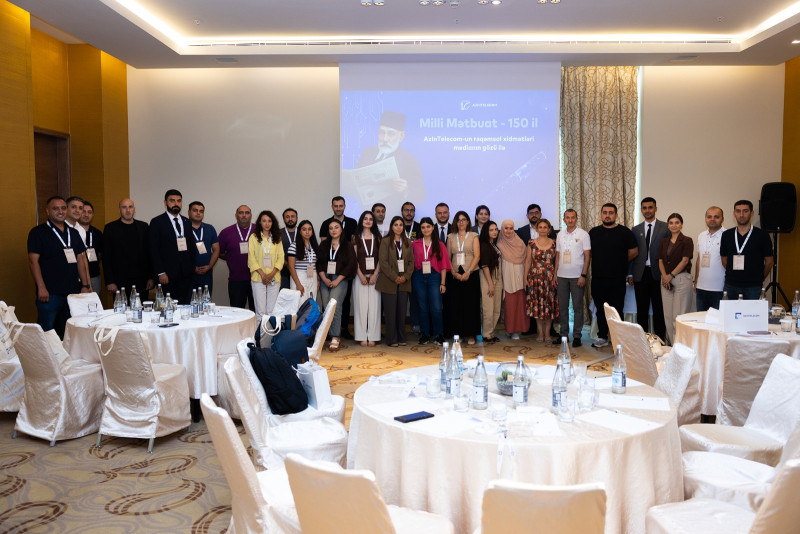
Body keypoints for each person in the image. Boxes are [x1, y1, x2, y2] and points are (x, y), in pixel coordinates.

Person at [27, 196, 91, 338]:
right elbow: (33, 262)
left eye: (63, 208)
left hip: (72, 293)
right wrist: (41, 287)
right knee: (47, 332)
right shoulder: (38, 232)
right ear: (47, 211)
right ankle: (45, 354)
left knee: (69, 331)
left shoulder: (73, 233)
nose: (60, 211)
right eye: (55, 208)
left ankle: (65, 353)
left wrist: (85, 285)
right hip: (50, 293)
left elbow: (80, 259)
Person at [352, 110, 425, 216]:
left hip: (393, 219)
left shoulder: (409, 160)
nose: (385, 139)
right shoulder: (368, 152)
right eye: (382, 133)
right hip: (367, 217)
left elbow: (420, 195)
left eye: (391, 133)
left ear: (401, 136)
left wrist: (405, 191)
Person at [589, 203, 638, 348]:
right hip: (598, 278)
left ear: (616, 215)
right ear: (601, 214)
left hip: (617, 278)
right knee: (600, 309)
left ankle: (618, 338)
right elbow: (588, 253)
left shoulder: (625, 232)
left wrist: (619, 261)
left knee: (617, 309)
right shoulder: (593, 232)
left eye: (611, 213)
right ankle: (602, 337)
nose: (607, 215)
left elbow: (634, 251)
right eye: (605, 212)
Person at [630, 197, 669, 340]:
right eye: (644, 208)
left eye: (650, 207)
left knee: (659, 309)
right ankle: (643, 340)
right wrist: (630, 274)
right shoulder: (635, 229)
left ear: (655, 209)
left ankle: (660, 340)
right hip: (640, 274)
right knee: (642, 310)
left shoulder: (665, 227)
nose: (647, 210)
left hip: (658, 273)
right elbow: (632, 253)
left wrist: (668, 274)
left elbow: (668, 252)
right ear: (641, 210)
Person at [149, 189, 196, 305]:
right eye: (172, 200)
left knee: (183, 306)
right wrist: (160, 272)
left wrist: (191, 267)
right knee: (167, 307)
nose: (176, 204)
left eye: (179, 201)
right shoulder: (157, 222)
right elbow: (153, 249)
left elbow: (191, 247)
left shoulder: (187, 222)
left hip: (185, 274)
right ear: (165, 202)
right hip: (166, 275)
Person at [719, 200, 774, 300]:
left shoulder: (763, 235)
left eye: (745, 211)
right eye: (738, 211)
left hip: (753, 286)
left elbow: (769, 262)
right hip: (731, 285)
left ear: (752, 213)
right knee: (730, 310)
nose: (741, 215)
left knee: (752, 311)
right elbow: (724, 260)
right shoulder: (726, 235)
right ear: (734, 214)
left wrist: (759, 278)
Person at [319, 196, 357, 339]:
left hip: (340, 277)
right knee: (326, 306)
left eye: (336, 228)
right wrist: (324, 278)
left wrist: (337, 280)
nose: (333, 230)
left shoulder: (348, 243)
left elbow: (350, 263)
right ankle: (327, 334)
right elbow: (319, 262)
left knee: (336, 305)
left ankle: (337, 334)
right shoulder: (324, 244)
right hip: (325, 278)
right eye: (331, 228)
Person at [103, 198, 154, 301]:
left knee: (141, 309)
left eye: (130, 207)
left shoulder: (144, 227)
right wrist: (110, 281)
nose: (128, 210)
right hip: (119, 281)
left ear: (134, 209)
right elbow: (106, 257)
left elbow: (150, 254)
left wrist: (151, 277)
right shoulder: (110, 228)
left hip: (142, 280)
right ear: (119, 210)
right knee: (121, 309)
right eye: (124, 207)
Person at [555, 209, 591, 347]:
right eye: (567, 217)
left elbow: (587, 256)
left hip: (577, 277)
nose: (570, 220)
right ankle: (563, 335)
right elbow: (558, 255)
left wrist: (583, 275)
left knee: (577, 308)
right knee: (562, 307)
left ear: (576, 218)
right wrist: (555, 274)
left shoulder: (583, 234)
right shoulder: (560, 234)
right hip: (561, 276)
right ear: (564, 219)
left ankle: (577, 336)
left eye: (572, 217)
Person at [444, 210, 481, 344]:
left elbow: (477, 256)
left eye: (463, 220)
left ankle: (470, 334)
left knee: (471, 305)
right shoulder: (450, 237)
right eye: (458, 220)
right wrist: (454, 273)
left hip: (471, 274)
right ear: (455, 222)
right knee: (456, 305)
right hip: (455, 275)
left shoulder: (474, 236)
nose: (461, 222)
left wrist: (468, 272)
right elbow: (448, 257)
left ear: (468, 221)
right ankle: (458, 334)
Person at [412, 217, 450, 345]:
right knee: (422, 307)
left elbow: (444, 265)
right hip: (419, 276)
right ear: (420, 229)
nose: (426, 229)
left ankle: (438, 334)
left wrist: (443, 283)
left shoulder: (440, 244)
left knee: (437, 307)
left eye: (428, 226)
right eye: (423, 227)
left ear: (433, 228)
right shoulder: (415, 244)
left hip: (435, 277)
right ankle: (425, 334)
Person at [376, 216, 414, 347]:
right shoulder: (385, 241)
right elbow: (383, 262)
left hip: (404, 281)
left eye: (401, 225)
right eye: (396, 225)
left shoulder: (407, 242)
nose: (398, 227)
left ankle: (402, 338)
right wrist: (395, 277)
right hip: (389, 281)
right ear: (391, 226)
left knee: (402, 312)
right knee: (390, 313)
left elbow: (411, 262)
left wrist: (405, 277)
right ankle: (392, 339)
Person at [658, 213, 694, 344]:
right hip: (665, 280)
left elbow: (685, 261)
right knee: (668, 317)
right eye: (671, 223)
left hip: (681, 279)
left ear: (681, 225)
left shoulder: (687, 240)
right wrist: (664, 276)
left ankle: (680, 346)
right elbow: (660, 260)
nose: (674, 225)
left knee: (678, 317)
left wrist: (671, 275)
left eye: (677, 222)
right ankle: (673, 346)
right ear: (668, 225)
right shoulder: (664, 241)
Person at [525, 219, 559, 343]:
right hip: (535, 279)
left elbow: (557, 261)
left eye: (545, 227)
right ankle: (540, 332)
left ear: (549, 229)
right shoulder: (531, 243)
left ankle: (547, 332)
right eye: (540, 227)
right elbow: (528, 261)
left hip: (549, 279)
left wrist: (555, 275)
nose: (543, 229)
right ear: (537, 229)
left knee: (549, 306)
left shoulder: (555, 243)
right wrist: (525, 278)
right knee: (537, 306)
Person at [217, 205, 256, 310]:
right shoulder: (226, 232)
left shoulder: (259, 230)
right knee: (237, 311)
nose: (244, 215)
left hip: (257, 279)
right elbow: (218, 252)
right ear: (236, 215)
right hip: (236, 280)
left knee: (257, 312)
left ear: (251, 216)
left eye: (247, 213)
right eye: (241, 213)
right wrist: (231, 257)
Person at [248, 210, 284, 323]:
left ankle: (270, 333)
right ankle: (261, 334)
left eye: (269, 221)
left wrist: (271, 274)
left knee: (271, 311)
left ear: (273, 223)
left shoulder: (277, 237)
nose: (267, 224)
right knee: (260, 311)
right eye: (264, 221)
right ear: (260, 222)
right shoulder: (253, 237)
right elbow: (251, 258)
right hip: (258, 277)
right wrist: (263, 275)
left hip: (274, 277)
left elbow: (281, 257)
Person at [352, 211, 382, 346]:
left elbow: (381, 259)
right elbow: (354, 259)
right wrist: (360, 275)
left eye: (370, 219)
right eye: (365, 219)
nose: (368, 221)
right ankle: (362, 335)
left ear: (373, 222)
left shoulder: (378, 238)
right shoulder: (355, 237)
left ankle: (373, 336)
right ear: (361, 221)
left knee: (374, 307)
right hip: (360, 276)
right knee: (361, 306)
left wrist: (375, 274)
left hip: (375, 275)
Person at [496, 220, 530, 339]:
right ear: (502, 229)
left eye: (511, 228)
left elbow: (526, 261)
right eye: (506, 228)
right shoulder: (499, 245)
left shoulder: (520, 243)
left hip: (520, 278)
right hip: (507, 279)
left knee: (520, 305)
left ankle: (517, 330)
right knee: (509, 306)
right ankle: (510, 329)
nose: (508, 231)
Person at [694, 206, 726, 311]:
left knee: (718, 320)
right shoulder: (701, 235)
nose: (712, 219)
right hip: (701, 288)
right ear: (705, 219)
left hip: (720, 288)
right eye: (709, 217)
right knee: (701, 319)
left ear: (722, 219)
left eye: (716, 217)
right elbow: (699, 259)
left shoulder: (727, 235)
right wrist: (696, 281)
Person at [188, 201, 219, 296]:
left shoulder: (210, 228)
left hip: (206, 273)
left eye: (201, 211)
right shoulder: (183, 228)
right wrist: (192, 267)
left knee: (206, 301)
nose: (198, 213)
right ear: (189, 212)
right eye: (195, 210)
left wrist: (209, 266)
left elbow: (216, 249)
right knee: (188, 301)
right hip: (188, 273)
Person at [478, 221, 502, 343]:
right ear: (486, 231)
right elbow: (484, 265)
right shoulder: (484, 245)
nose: (494, 232)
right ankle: (486, 334)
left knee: (496, 307)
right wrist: (490, 283)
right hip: (488, 277)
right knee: (488, 307)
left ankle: (491, 333)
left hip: (497, 275)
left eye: (496, 229)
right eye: (491, 230)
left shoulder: (493, 244)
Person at [286, 220, 319, 304]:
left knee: (311, 303)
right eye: (304, 229)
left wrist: (318, 281)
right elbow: (291, 267)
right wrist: (298, 284)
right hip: (299, 276)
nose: (307, 232)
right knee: (300, 304)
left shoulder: (315, 246)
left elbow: (317, 264)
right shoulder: (294, 246)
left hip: (313, 276)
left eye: (309, 229)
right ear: (300, 232)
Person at [79, 200, 104, 295]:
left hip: (94, 276)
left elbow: (101, 254)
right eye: (83, 211)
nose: (86, 215)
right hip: (76, 277)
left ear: (93, 215)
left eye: (89, 212)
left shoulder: (97, 233)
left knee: (93, 302)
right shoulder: (72, 232)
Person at [280, 208, 299, 289]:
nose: (290, 219)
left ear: (297, 218)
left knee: (300, 294)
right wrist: (288, 265)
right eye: (287, 217)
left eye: (292, 216)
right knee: (285, 295)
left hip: (300, 271)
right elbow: (275, 252)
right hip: (283, 272)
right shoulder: (278, 233)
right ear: (283, 219)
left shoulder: (303, 232)